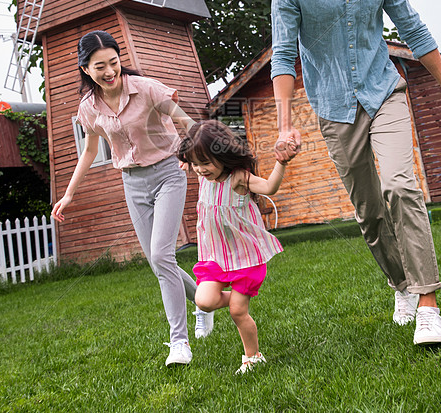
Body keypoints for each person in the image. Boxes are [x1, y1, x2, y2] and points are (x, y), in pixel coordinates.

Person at [271, 0, 441, 345]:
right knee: (369, 211)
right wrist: (285, 124)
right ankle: (400, 283)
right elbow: (283, 56)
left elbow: (414, 30)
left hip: (385, 92)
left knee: (402, 187)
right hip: (335, 108)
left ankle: (427, 303)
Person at [51, 30, 215, 368]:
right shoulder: (88, 109)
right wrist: (67, 194)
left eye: (114, 62)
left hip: (168, 173)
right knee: (159, 262)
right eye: (100, 67)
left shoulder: (148, 88)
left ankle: (179, 343)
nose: (110, 71)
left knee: (160, 254)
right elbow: (90, 152)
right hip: (132, 184)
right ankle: (202, 300)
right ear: (86, 69)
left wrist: (193, 156)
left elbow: (187, 123)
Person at [177, 120, 286, 374]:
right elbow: (194, 151)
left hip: (245, 256)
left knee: (238, 312)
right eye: (195, 164)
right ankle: (237, 299)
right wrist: (189, 160)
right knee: (203, 301)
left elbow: (270, 187)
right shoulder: (204, 176)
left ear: (223, 155)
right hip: (216, 256)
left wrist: (282, 162)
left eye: (205, 163)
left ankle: (253, 356)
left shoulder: (238, 178)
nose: (200, 170)